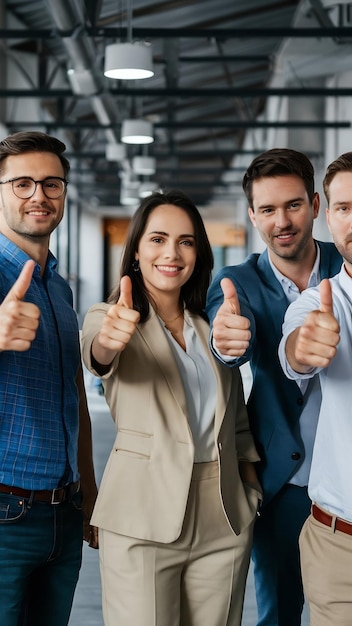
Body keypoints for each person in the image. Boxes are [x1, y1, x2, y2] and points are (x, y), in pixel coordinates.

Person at [81, 190, 262, 626]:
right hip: (142, 516)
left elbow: (235, 420)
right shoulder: (107, 317)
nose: (172, 253)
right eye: (158, 239)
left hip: (222, 514)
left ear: (198, 253)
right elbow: (98, 353)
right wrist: (110, 339)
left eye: (186, 241)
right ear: (137, 251)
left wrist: (249, 492)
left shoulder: (211, 328)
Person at [205, 149, 342, 626]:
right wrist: (225, 342)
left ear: (316, 205)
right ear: (252, 215)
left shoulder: (345, 271)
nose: (281, 221)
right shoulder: (234, 283)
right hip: (282, 481)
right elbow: (224, 344)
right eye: (267, 209)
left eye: (293, 205)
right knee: (278, 611)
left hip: (344, 480)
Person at [0, 130, 98, 626]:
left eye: (51, 184)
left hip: (62, 509)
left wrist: (89, 488)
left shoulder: (58, 287)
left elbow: (74, 393)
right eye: (21, 184)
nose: (38, 195)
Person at [279, 151, 352, 626]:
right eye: (345, 208)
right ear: (329, 215)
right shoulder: (319, 303)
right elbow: (295, 351)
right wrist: (304, 348)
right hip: (341, 550)